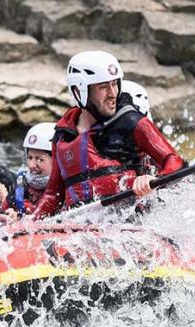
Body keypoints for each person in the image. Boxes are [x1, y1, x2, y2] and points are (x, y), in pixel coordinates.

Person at [32, 51, 185, 219]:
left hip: (130, 222)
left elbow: (175, 162)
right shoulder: (63, 136)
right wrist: (28, 224)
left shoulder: (132, 121)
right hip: (80, 227)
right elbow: (53, 195)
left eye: (114, 84)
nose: (112, 93)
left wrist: (155, 179)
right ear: (80, 90)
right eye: (103, 87)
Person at [1, 122, 56, 216]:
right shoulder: (22, 182)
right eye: (30, 158)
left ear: (57, 160)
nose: (31, 165)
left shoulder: (65, 190)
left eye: (39, 159)